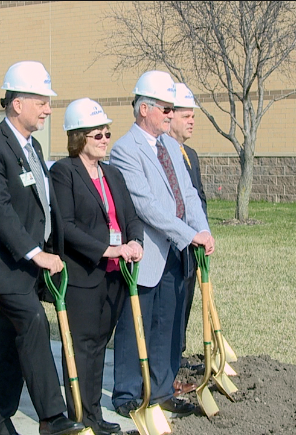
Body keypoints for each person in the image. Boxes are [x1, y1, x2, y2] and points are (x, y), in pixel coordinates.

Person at [0, 61, 84, 435]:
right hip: (2, 264)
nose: (48, 109)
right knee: (32, 322)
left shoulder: (31, 147)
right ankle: (52, 417)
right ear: (17, 104)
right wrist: (35, 252)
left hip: (27, 265)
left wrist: (51, 249)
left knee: (9, 344)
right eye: (42, 101)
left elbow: (40, 204)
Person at [109, 71, 215, 419]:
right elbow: (146, 206)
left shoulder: (172, 146)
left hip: (179, 250)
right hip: (148, 251)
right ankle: (126, 393)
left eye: (173, 109)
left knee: (169, 323)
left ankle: (162, 388)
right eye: (166, 108)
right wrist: (188, 233)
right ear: (144, 109)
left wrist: (202, 230)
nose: (171, 114)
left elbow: (188, 195)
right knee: (135, 323)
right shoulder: (126, 149)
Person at [48, 98, 144, 435]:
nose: (105, 140)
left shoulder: (113, 173)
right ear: (79, 138)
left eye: (107, 133)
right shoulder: (64, 172)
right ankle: (80, 415)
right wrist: (106, 248)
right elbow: (67, 226)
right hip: (82, 274)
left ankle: (94, 415)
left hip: (116, 275)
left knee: (100, 344)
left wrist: (135, 243)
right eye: (98, 135)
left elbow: (130, 217)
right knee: (81, 346)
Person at [169, 83, 208, 372]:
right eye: (186, 116)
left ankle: (178, 350)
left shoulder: (190, 154)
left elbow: (199, 196)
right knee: (171, 300)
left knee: (187, 298)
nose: (191, 121)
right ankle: (168, 352)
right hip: (173, 241)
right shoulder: (162, 153)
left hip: (194, 242)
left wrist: (203, 231)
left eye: (193, 116)